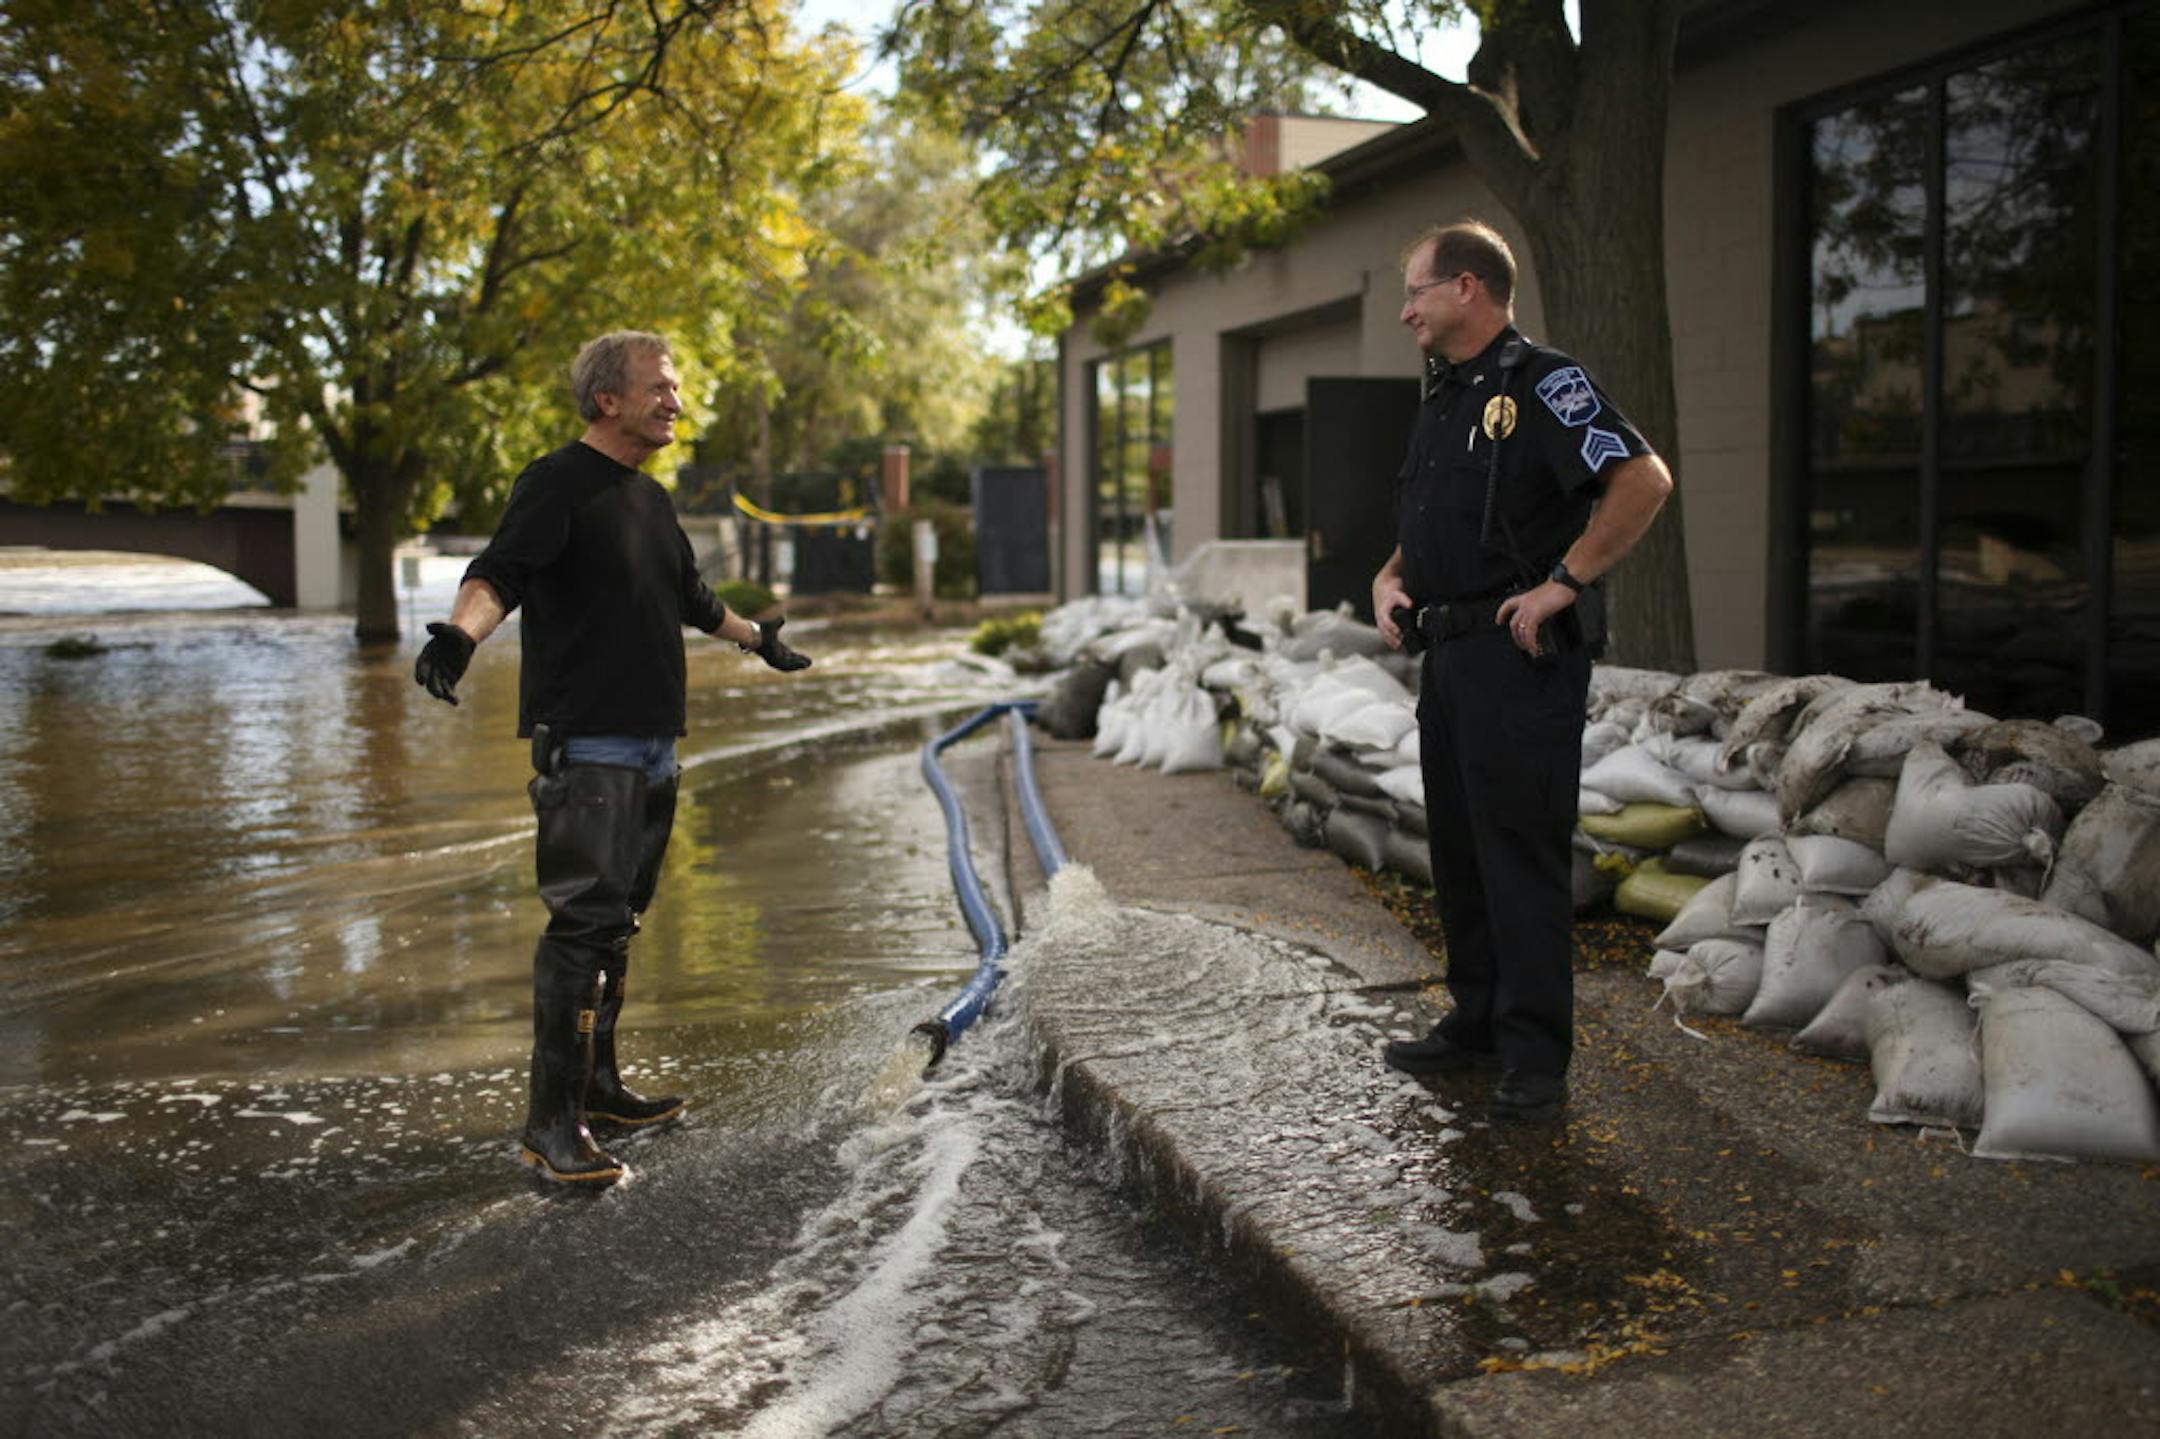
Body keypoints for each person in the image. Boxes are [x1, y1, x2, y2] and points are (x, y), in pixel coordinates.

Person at [413, 330, 812, 1185]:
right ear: (608, 400)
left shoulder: (652, 499)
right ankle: (548, 1125)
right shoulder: (554, 482)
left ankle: (596, 1090)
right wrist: (458, 635)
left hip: (653, 747)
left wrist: (757, 640)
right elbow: (498, 573)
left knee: (617, 927)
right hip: (587, 746)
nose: (674, 399)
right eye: (659, 387)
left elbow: (689, 598)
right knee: (580, 930)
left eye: (675, 386)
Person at [1372, 221, 1673, 1121]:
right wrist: (1393, 573)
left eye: (1416, 292)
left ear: (1467, 287)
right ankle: (1477, 1024)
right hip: (1450, 654)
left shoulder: (1546, 382)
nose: (1405, 311)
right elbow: (1443, 513)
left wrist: (1565, 582)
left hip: (1519, 656)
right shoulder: (1447, 394)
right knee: (1461, 853)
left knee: (1519, 858)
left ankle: (1536, 1061)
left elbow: (1643, 480)